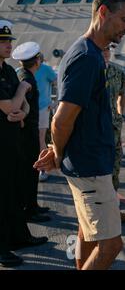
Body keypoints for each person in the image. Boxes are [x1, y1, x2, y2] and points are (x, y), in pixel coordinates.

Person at [34, 0, 125, 270]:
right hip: (89, 167)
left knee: (87, 233)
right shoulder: (86, 57)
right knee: (111, 245)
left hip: (88, 162)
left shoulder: (87, 52)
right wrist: (57, 152)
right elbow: (61, 119)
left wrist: (58, 150)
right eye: (124, 19)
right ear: (103, 12)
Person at [0, 21, 47, 268]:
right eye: (3, 41)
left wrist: (19, 107)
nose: (9, 44)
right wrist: (22, 91)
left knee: (13, 193)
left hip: (12, 141)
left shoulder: (7, 70)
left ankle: (19, 237)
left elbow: (22, 108)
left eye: (9, 40)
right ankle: (2, 248)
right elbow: (10, 105)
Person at [12, 42, 51, 223]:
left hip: (28, 132)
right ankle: (30, 210)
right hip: (27, 134)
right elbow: (19, 107)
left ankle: (32, 205)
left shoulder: (22, 74)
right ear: (37, 61)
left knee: (31, 172)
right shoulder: (27, 79)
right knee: (29, 172)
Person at [102, 44, 125, 222]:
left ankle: (112, 210)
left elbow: (121, 95)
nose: (106, 53)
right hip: (96, 130)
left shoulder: (118, 73)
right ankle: (101, 212)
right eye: (103, 50)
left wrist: (120, 114)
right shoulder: (90, 72)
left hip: (114, 129)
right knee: (98, 172)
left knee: (115, 169)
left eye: (108, 50)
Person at [35, 53, 57, 182]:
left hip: (43, 109)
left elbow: (57, 83)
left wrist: (53, 103)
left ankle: (42, 169)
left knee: (40, 139)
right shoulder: (20, 71)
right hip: (26, 110)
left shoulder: (46, 69)